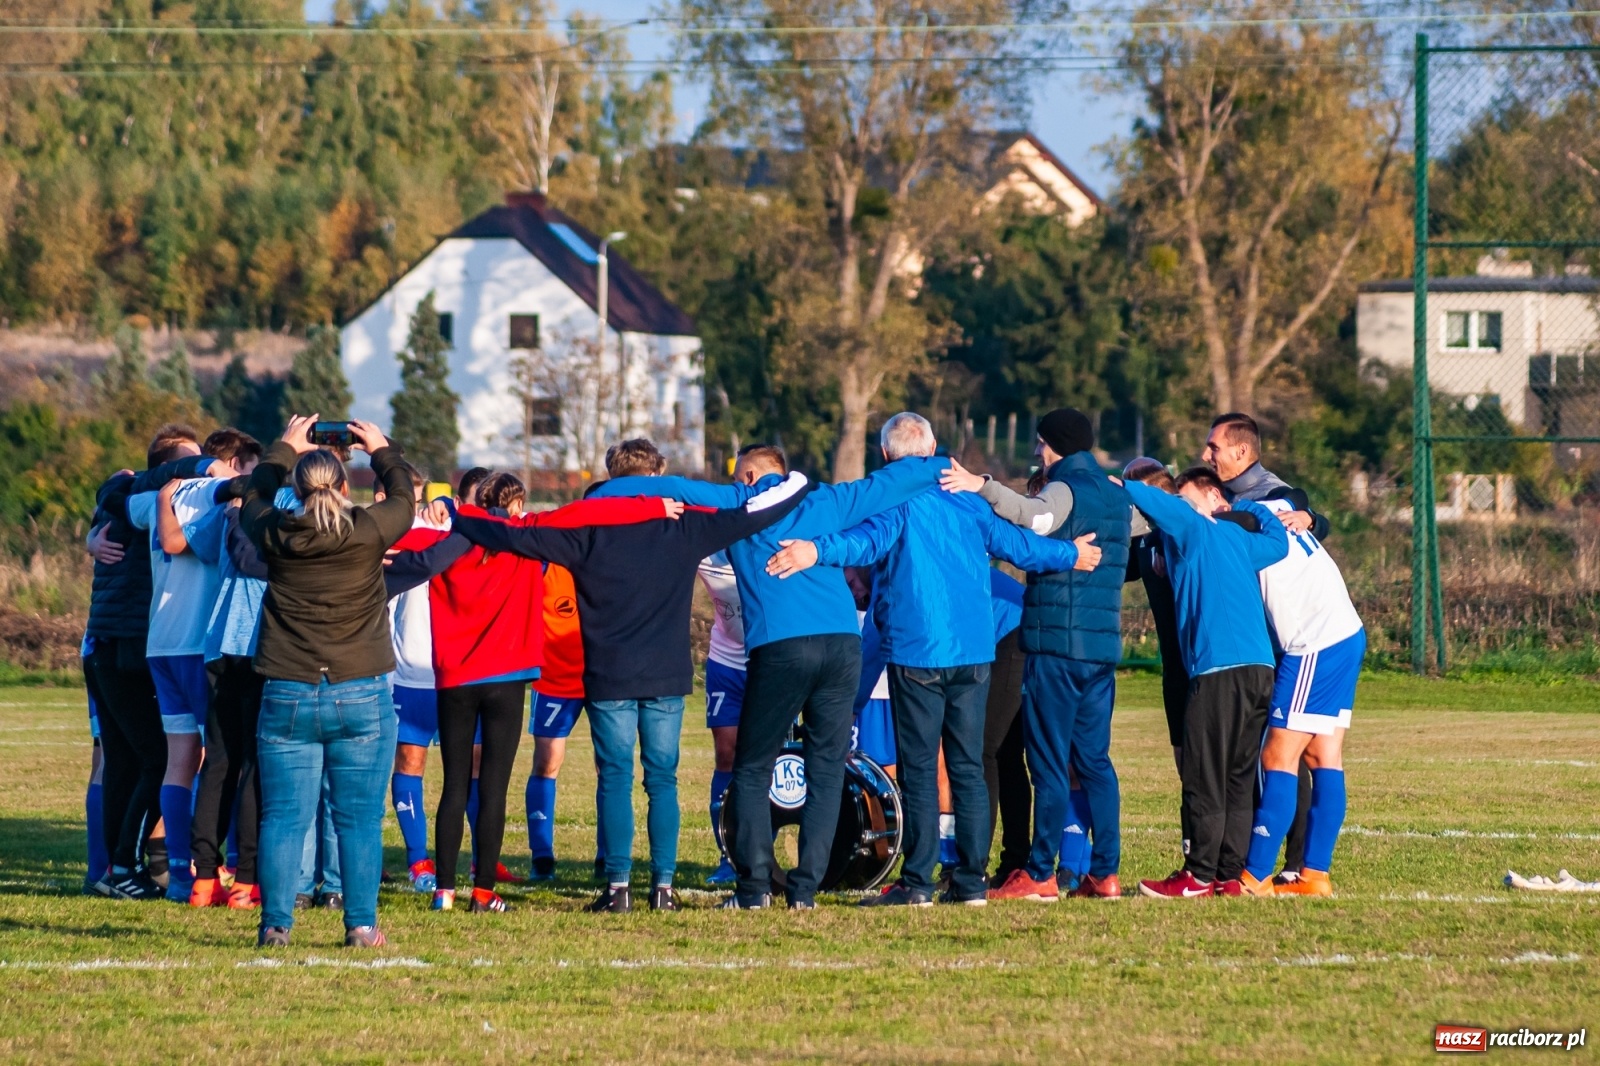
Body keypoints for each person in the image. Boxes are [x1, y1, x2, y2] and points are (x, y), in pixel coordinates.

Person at [588, 437, 960, 910]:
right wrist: (950, 468)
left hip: (781, 646)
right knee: (827, 768)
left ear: (748, 475)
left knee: (752, 767)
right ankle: (804, 892)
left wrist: (604, 494)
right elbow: (889, 482)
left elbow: (673, 487)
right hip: (842, 646)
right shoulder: (826, 499)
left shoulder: (743, 501)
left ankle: (754, 889)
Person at [447, 467, 811, 914]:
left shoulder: (587, 531)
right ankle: (663, 888)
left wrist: (453, 513)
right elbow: (750, 515)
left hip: (609, 675)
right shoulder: (682, 526)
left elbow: (513, 535)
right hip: (665, 676)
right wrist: (794, 483)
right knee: (662, 781)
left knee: (615, 778)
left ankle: (618, 888)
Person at [768, 413, 1096, 907]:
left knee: (920, 768)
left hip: (917, 650)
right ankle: (970, 881)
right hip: (973, 650)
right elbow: (1018, 546)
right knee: (967, 765)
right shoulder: (967, 499)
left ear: (885, 456)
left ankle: (919, 881)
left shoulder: (897, 499)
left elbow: (864, 541)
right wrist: (1069, 554)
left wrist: (815, 551)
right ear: (934, 447)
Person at [385, 472, 673, 913]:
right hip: (507, 676)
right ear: (514, 506)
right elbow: (589, 511)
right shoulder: (525, 535)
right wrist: (651, 507)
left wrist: (435, 510)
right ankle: (482, 893)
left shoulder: (444, 532)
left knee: (453, 787)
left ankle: (443, 891)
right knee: (493, 788)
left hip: (454, 679)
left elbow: (382, 528)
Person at [238, 414, 414, 948]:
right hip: (359, 687)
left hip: (288, 688)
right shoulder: (365, 532)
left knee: (285, 817)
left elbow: (253, 494)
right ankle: (360, 924)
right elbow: (404, 499)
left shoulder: (276, 531)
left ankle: (275, 924)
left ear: (297, 489)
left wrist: (284, 447)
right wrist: (381, 449)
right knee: (358, 819)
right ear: (343, 487)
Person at [944, 410, 1132, 903]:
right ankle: (1105, 872)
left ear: (1059, 446)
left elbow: (1033, 517)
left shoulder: (1066, 489)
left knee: (1047, 761)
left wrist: (980, 484)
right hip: (1101, 649)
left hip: (1056, 646)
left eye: (1043, 445)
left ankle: (1040, 872)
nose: (1038, 454)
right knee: (1094, 761)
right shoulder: (1116, 494)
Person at [1123, 467, 1288, 900]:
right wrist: (1246, 507)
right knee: (1237, 777)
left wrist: (1120, 485)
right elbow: (1277, 541)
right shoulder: (1236, 539)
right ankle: (1228, 876)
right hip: (1259, 669)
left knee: (1204, 773)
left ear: (1208, 501)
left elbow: (1162, 505)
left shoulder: (1196, 527)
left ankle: (1196, 875)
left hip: (1218, 671)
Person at [127, 429, 256, 903]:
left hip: (160, 642)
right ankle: (224, 868)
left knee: (181, 761)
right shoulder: (210, 497)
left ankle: (181, 875)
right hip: (198, 643)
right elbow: (190, 540)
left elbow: (124, 509)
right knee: (222, 758)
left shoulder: (150, 496)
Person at [1202, 411, 1330, 883]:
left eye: (1213, 447)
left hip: (1287, 646)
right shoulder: (1232, 495)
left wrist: (1313, 516)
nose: (1206, 454)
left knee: (1286, 753)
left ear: (1241, 451)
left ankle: (1295, 864)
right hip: (1264, 644)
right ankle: (1287, 863)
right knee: (1279, 754)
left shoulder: (1270, 494)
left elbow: (1295, 504)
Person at [84, 426, 211, 899]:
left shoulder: (131, 499)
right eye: (187, 464)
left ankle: (112, 869)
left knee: (124, 760)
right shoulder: (145, 500)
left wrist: (91, 536)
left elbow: (111, 492)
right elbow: (114, 490)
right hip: (128, 649)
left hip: (111, 646)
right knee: (154, 758)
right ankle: (121, 865)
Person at [1232, 494, 1366, 897]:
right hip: (1343, 631)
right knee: (1322, 755)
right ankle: (1314, 876)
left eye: (1213, 448)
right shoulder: (1272, 505)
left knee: (1278, 755)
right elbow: (1297, 501)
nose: (1208, 455)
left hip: (1315, 643)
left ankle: (1254, 877)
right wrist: (1309, 514)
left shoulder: (1240, 519)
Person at [169, 429, 266, 908]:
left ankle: (204, 877)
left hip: (217, 644)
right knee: (252, 763)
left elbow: (192, 545)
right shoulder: (277, 507)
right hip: (258, 644)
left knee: (220, 762)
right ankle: (246, 879)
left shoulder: (226, 507)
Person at [381, 464, 447, 894]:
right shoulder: (371, 531)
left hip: (460, 672)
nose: (413, 505)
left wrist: (449, 505)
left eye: (418, 497)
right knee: (410, 763)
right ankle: (417, 859)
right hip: (408, 674)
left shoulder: (440, 524)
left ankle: (480, 860)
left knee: (474, 768)